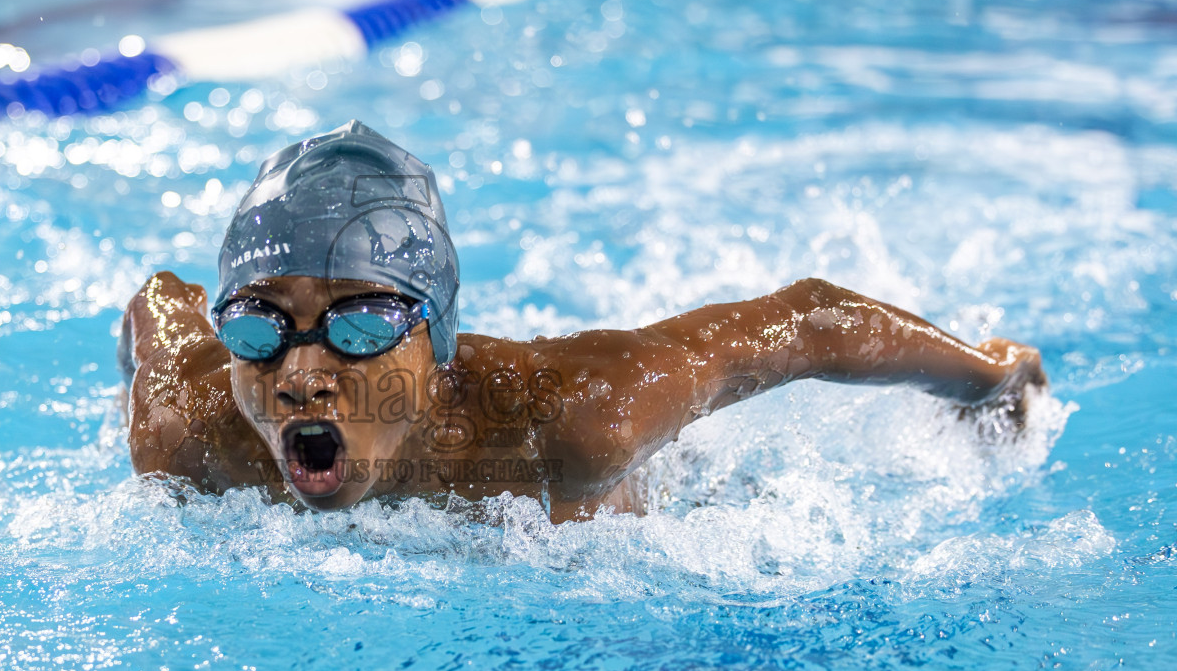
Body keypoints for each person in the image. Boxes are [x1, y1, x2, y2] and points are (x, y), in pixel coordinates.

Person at [119, 121, 1045, 523]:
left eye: (358, 324)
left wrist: (995, 378)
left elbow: (806, 321)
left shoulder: (574, 419)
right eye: (257, 327)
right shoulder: (185, 428)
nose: (300, 373)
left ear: (435, 346)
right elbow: (157, 301)